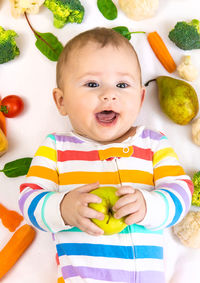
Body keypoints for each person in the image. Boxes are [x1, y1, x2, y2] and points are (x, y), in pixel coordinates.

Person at [19, 27, 193, 283]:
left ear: (141, 98)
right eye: (92, 84)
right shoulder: (56, 148)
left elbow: (181, 192)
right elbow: (29, 200)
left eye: (122, 85)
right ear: (61, 101)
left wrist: (149, 206)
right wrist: (64, 208)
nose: (109, 94)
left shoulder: (153, 144)